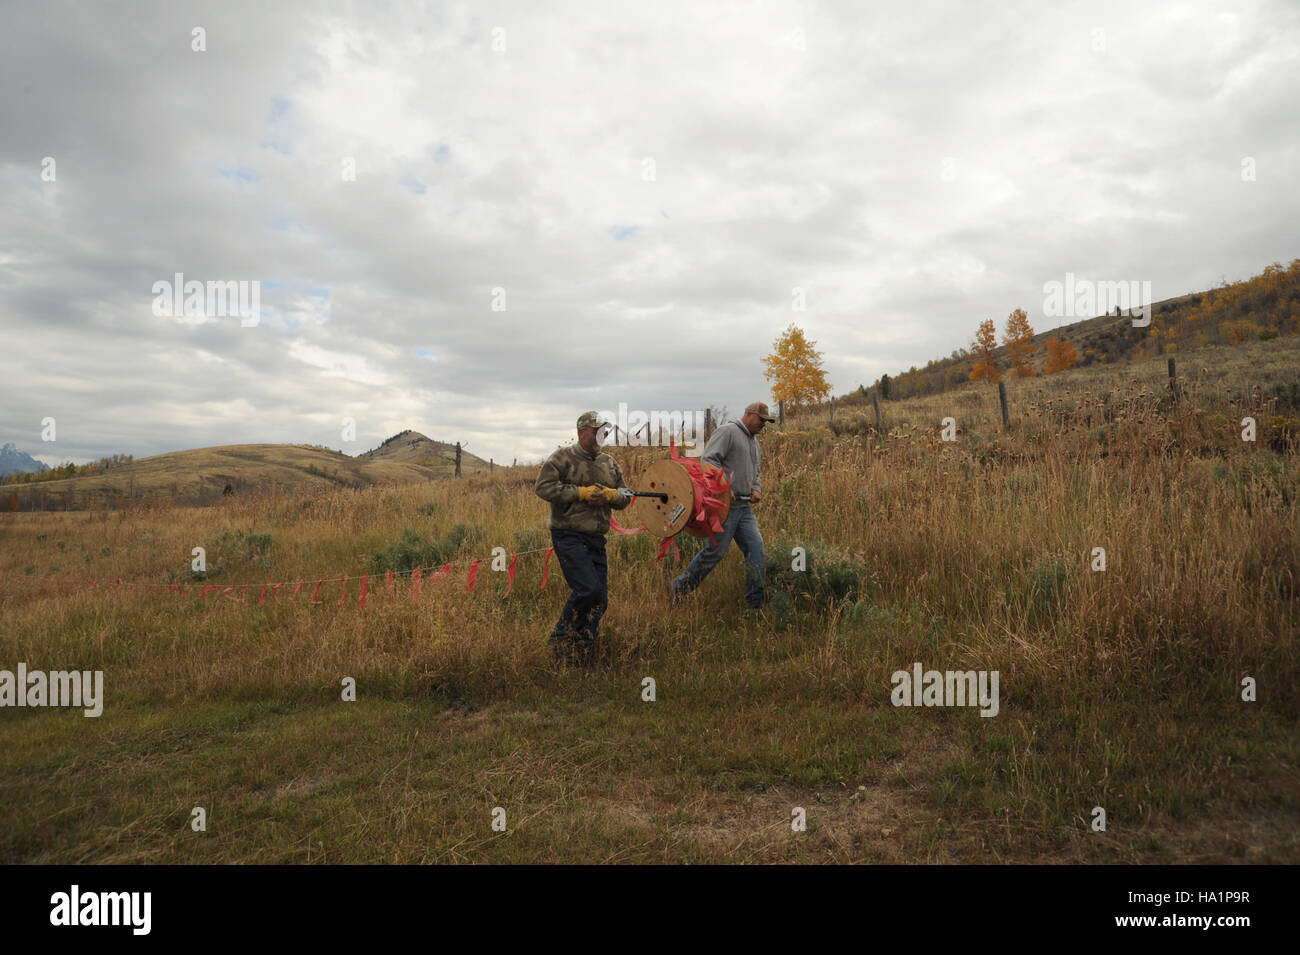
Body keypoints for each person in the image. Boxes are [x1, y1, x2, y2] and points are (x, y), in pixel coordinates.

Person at [534, 412, 633, 666]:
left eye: (605, 431)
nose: (603, 435)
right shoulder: (562, 457)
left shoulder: (609, 463)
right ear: (582, 433)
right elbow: (542, 487)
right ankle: (560, 639)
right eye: (597, 430)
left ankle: (582, 652)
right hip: (568, 534)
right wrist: (580, 493)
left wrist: (613, 495)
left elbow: (627, 495)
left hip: (596, 538)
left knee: (600, 599)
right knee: (587, 589)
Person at [670, 401, 775, 609]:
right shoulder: (728, 432)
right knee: (715, 552)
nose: (764, 424)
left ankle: (756, 602)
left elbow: (756, 473)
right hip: (723, 508)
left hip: (744, 509)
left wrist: (756, 489)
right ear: (748, 414)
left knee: (756, 549)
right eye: (761, 419)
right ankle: (678, 588)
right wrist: (725, 487)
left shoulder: (755, 443)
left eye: (766, 421)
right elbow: (708, 462)